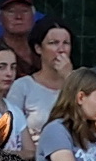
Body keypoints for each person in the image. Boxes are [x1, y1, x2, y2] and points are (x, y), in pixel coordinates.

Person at [8, 17, 75, 153]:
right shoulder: (23, 86)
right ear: (38, 48)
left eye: (66, 43)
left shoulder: (80, 84)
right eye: (53, 43)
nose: (61, 50)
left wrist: (70, 79)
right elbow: (11, 129)